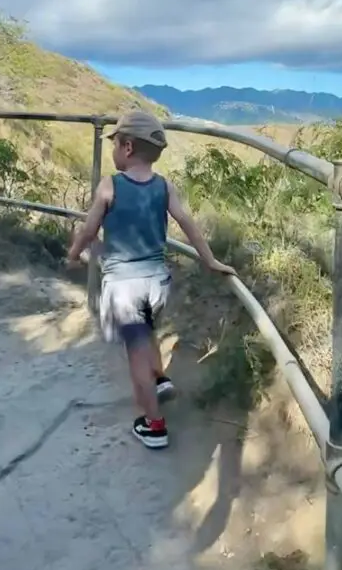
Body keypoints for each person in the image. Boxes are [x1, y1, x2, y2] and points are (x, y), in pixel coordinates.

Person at [68, 111, 235, 449]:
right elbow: (187, 222)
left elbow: (89, 229)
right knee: (149, 334)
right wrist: (210, 260)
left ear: (127, 147)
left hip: (123, 289)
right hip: (157, 282)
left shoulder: (110, 186)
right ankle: (160, 379)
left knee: (135, 356)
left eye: (115, 144)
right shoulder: (164, 186)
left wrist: (74, 253)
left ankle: (153, 425)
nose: (114, 150)